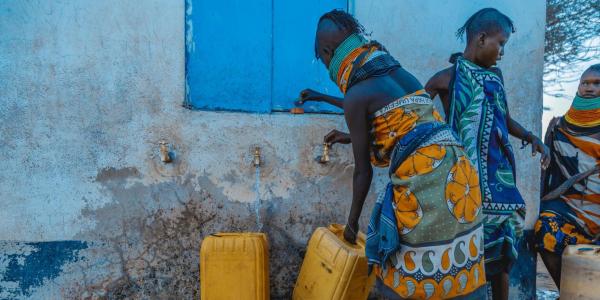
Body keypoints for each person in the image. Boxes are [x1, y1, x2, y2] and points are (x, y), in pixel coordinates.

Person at [301, 10, 486, 299]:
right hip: (461, 175)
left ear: (328, 52)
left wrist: (351, 227)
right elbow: (406, 128)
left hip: (427, 182)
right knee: (458, 270)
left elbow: (363, 171)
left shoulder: (357, 95)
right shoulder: (400, 75)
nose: (326, 66)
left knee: (402, 278)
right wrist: (348, 133)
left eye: (323, 60)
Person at [425, 8, 550, 300]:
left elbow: (503, 119)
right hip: (461, 181)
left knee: (502, 255)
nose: (502, 52)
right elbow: (413, 118)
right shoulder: (446, 78)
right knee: (463, 254)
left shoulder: (495, 77)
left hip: (498, 178)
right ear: (482, 38)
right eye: (501, 43)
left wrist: (532, 137)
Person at [536, 64, 600, 289]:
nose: (589, 88)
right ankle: (570, 291)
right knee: (544, 228)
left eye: (596, 84)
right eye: (585, 83)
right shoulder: (559, 127)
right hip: (570, 207)